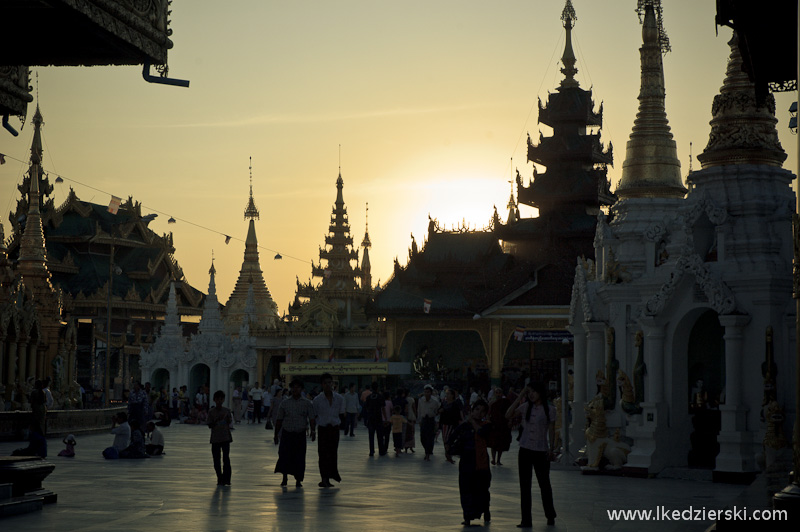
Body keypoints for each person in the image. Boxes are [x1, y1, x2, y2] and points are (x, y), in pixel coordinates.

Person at [506, 382, 557, 528]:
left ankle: (550, 514)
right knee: (525, 486)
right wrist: (520, 396)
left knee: (544, 484)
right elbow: (508, 415)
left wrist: (552, 448)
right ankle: (526, 519)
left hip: (541, 450)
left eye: (534, 391)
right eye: (529, 392)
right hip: (525, 450)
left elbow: (552, 431)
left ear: (541, 392)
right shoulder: (525, 407)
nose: (531, 395)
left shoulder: (550, 410)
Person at [447, 399, 492, 526]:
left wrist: (472, 421)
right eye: (477, 410)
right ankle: (467, 516)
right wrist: (448, 452)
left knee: (482, 489)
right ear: (472, 410)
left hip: (481, 462)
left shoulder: (486, 425)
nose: (479, 413)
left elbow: (482, 433)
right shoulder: (464, 426)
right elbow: (452, 437)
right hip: (467, 460)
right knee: (466, 489)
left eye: (482, 411)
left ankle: (485, 511)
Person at [274, 379, 316, 488]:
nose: (295, 389)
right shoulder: (285, 403)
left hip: (300, 434)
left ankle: (298, 480)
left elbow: (311, 418)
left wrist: (313, 430)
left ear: (302, 389)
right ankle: (284, 478)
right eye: (293, 387)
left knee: (299, 457)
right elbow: (279, 419)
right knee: (284, 456)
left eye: (297, 387)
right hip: (287, 433)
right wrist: (275, 434)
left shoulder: (307, 403)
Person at [312, 373, 345, 488]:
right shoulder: (317, 400)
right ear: (322, 384)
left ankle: (331, 475)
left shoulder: (339, 399)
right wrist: (313, 430)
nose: (328, 385)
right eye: (325, 383)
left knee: (332, 453)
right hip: (323, 429)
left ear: (332, 383)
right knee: (322, 454)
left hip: (334, 429)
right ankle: (324, 478)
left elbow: (341, 414)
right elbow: (314, 415)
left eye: (329, 383)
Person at [208, 390, 233, 486]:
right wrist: (217, 420)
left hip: (225, 437)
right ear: (214, 400)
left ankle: (227, 479)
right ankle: (219, 477)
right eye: (217, 399)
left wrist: (226, 418)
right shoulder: (211, 412)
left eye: (221, 399)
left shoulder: (227, 411)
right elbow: (209, 425)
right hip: (215, 438)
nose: (219, 401)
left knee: (226, 458)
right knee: (216, 459)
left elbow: (229, 422)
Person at [488, 387, 512, 465]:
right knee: (493, 443)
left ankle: (498, 459)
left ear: (502, 393)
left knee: (501, 444)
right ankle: (493, 459)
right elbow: (489, 413)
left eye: (499, 392)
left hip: (503, 425)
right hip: (494, 425)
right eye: (496, 392)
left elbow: (510, 412)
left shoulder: (506, 402)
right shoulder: (492, 402)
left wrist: (510, 421)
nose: (498, 394)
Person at [439, 388, 464, 463]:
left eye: (449, 394)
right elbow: (439, 410)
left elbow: (457, 414)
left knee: (449, 439)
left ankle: (449, 454)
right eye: (447, 394)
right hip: (445, 424)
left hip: (452, 424)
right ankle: (448, 453)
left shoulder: (455, 404)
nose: (447, 395)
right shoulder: (444, 403)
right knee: (445, 439)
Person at [418, 385, 440, 461]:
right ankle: (427, 450)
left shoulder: (435, 401)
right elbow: (419, 410)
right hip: (424, 420)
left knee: (430, 437)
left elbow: (438, 411)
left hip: (431, 420)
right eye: (425, 392)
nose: (426, 394)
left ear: (431, 393)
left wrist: (437, 422)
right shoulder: (421, 400)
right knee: (422, 437)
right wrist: (419, 420)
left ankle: (428, 453)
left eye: (428, 392)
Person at [364, 385, 385, 456]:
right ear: (377, 388)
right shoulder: (380, 397)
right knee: (380, 435)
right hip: (378, 418)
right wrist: (385, 418)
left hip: (371, 418)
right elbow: (383, 408)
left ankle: (371, 451)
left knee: (371, 436)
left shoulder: (368, 397)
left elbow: (366, 408)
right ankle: (381, 451)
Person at [404, 387, 417, 453]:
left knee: (406, 432)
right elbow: (414, 408)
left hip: (405, 417)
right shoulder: (411, 399)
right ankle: (411, 446)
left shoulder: (404, 399)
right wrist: (416, 415)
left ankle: (405, 447)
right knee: (412, 432)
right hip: (411, 416)